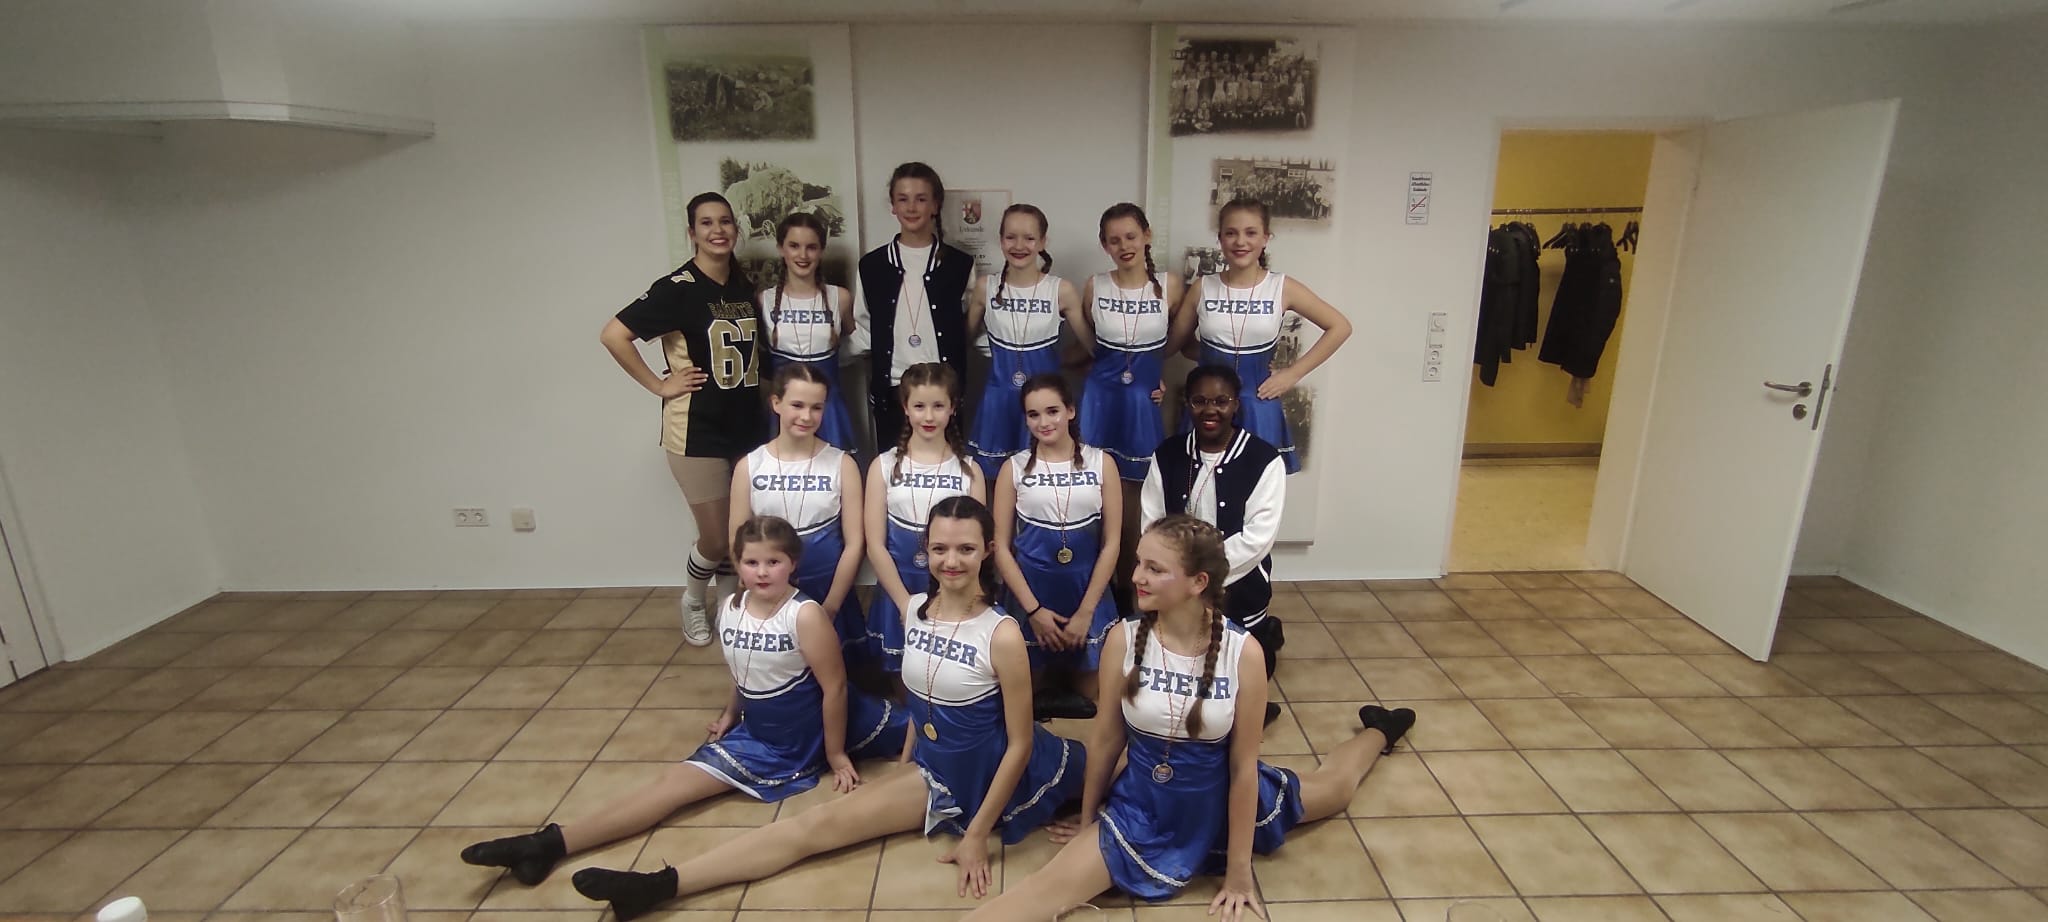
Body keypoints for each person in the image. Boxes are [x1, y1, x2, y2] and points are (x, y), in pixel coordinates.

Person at [567, 497, 1086, 921]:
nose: (952, 561)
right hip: (938, 771)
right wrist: (906, 765)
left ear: (988, 551)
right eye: (940, 548)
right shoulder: (914, 610)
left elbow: (1020, 742)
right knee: (811, 828)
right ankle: (658, 885)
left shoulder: (1002, 633)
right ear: (924, 550)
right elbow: (919, 699)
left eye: (966, 549)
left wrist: (975, 837)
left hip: (1005, 768)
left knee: (1110, 772)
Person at [961, 516, 1416, 922]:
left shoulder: (1244, 653)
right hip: (1142, 807)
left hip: (1219, 799)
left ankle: (1380, 729)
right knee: (1042, 892)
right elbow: (1105, 741)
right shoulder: (1123, 639)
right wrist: (1087, 818)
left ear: (1198, 582)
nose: (1136, 576)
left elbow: (1243, 769)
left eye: (1154, 568)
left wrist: (1238, 872)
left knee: (1335, 789)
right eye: (1139, 563)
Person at [459, 516, 904, 888]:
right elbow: (742, 669)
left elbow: (835, 688)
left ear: (793, 564)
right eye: (751, 562)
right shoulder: (731, 607)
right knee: (671, 785)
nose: (762, 572)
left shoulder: (805, 615)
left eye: (774, 562)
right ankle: (547, 844)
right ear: (737, 564)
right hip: (761, 733)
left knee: (919, 735)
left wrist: (836, 753)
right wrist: (731, 713)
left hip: (826, 724)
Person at [600, 192, 770, 645]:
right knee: (715, 538)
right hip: (697, 430)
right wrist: (659, 386)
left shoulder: (743, 285)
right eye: (707, 223)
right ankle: (694, 599)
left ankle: (731, 608)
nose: (718, 230)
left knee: (740, 532)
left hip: (748, 427)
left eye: (725, 221)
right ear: (692, 232)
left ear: (736, 228)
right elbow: (613, 335)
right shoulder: (677, 287)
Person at [1141, 365, 1287, 726]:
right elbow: (1152, 524)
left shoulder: (1264, 459)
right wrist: (1179, 578)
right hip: (1177, 586)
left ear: (1236, 404)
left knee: (1238, 673)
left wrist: (1202, 578)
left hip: (1238, 588)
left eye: (1221, 401)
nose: (1211, 410)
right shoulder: (1168, 454)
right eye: (1200, 401)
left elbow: (1257, 538)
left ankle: (1246, 699)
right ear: (1188, 404)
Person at [1167, 197, 1352, 474]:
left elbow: (1340, 327)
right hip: (1208, 407)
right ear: (1220, 238)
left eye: (1251, 233)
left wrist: (1292, 374)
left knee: (1257, 487)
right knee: (1198, 485)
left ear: (1266, 238)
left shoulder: (1282, 287)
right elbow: (1176, 345)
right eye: (1231, 233)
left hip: (1258, 404)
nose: (1240, 241)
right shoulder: (1203, 287)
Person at [993, 375, 1122, 718]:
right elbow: (1001, 549)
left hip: (1086, 590)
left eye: (1052, 411)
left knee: (1089, 697)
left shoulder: (1102, 463)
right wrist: (1033, 611)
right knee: (1023, 693)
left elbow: (1112, 543)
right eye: (1033, 414)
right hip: (1031, 591)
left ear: (1070, 411)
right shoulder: (1013, 468)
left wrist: (1086, 612)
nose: (1044, 422)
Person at [730, 364, 868, 659]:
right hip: (770, 589)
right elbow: (737, 541)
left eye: (816, 407)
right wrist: (756, 589)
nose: (807, 416)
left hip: (828, 588)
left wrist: (831, 605)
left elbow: (855, 543)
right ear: (776, 403)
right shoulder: (749, 466)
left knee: (836, 668)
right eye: (797, 405)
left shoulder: (842, 464)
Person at [866, 362, 986, 676]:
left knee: (950, 673)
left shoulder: (970, 470)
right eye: (919, 406)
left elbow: (978, 546)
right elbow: (875, 544)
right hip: (898, 587)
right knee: (902, 679)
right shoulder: (883, 466)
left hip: (954, 589)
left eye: (938, 406)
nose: (929, 417)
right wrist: (904, 603)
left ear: (953, 407)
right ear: (905, 407)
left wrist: (953, 599)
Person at [856, 162, 974, 450]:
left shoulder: (960, 264)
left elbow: (969, 327)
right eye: (903, 199)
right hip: (893, 391)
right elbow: (863, 327)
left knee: (947, 468)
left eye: (921, 199)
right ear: (893, 206)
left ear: (935, 205)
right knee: (893, 469)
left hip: (944, 392)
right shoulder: (871, 265)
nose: (911, 207)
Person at [965, 204, 1088, 479]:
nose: (1019, 246)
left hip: (1045, 405)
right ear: (1000, 240)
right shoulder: (986, 287)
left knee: (1044, 477)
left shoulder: (1060, 290)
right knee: (992, 479)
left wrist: (1067, 362)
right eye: (1011, 237)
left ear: (1042, 242)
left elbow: (1095, 347)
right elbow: (962, 341)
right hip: (998, 400)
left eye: (1029, 238)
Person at [759, 212, 858, 452]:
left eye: (811, 247)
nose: (802, 255)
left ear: (821, 250)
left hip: (828, 407)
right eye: (794, 246)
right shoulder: (764, 299)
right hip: (785, 410)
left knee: (835, 471)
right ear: (781, 248)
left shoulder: (840, 297)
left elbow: (857, 343)